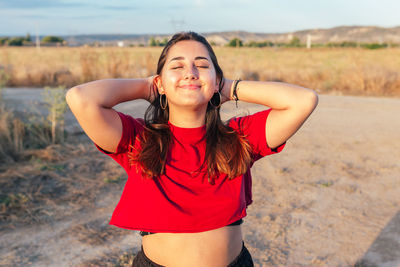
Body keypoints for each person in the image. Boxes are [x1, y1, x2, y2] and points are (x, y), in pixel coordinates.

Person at [66, 31, 318, 267]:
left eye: (202, 65)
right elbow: (81, 98)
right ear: (160, 83)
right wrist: (148, 87)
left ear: (217, 79)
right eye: (177, 66)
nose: (190, 73)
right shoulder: (139, 139)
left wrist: (226, 87)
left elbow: (302, 101)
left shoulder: (240, 137)